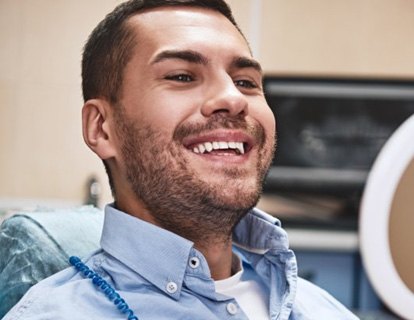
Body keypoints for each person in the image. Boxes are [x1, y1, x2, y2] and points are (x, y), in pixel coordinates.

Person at [3, 0, 359, 319]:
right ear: (102, 128)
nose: (233, 99)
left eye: (246, 82)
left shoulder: (322, 309)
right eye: (182, 76)